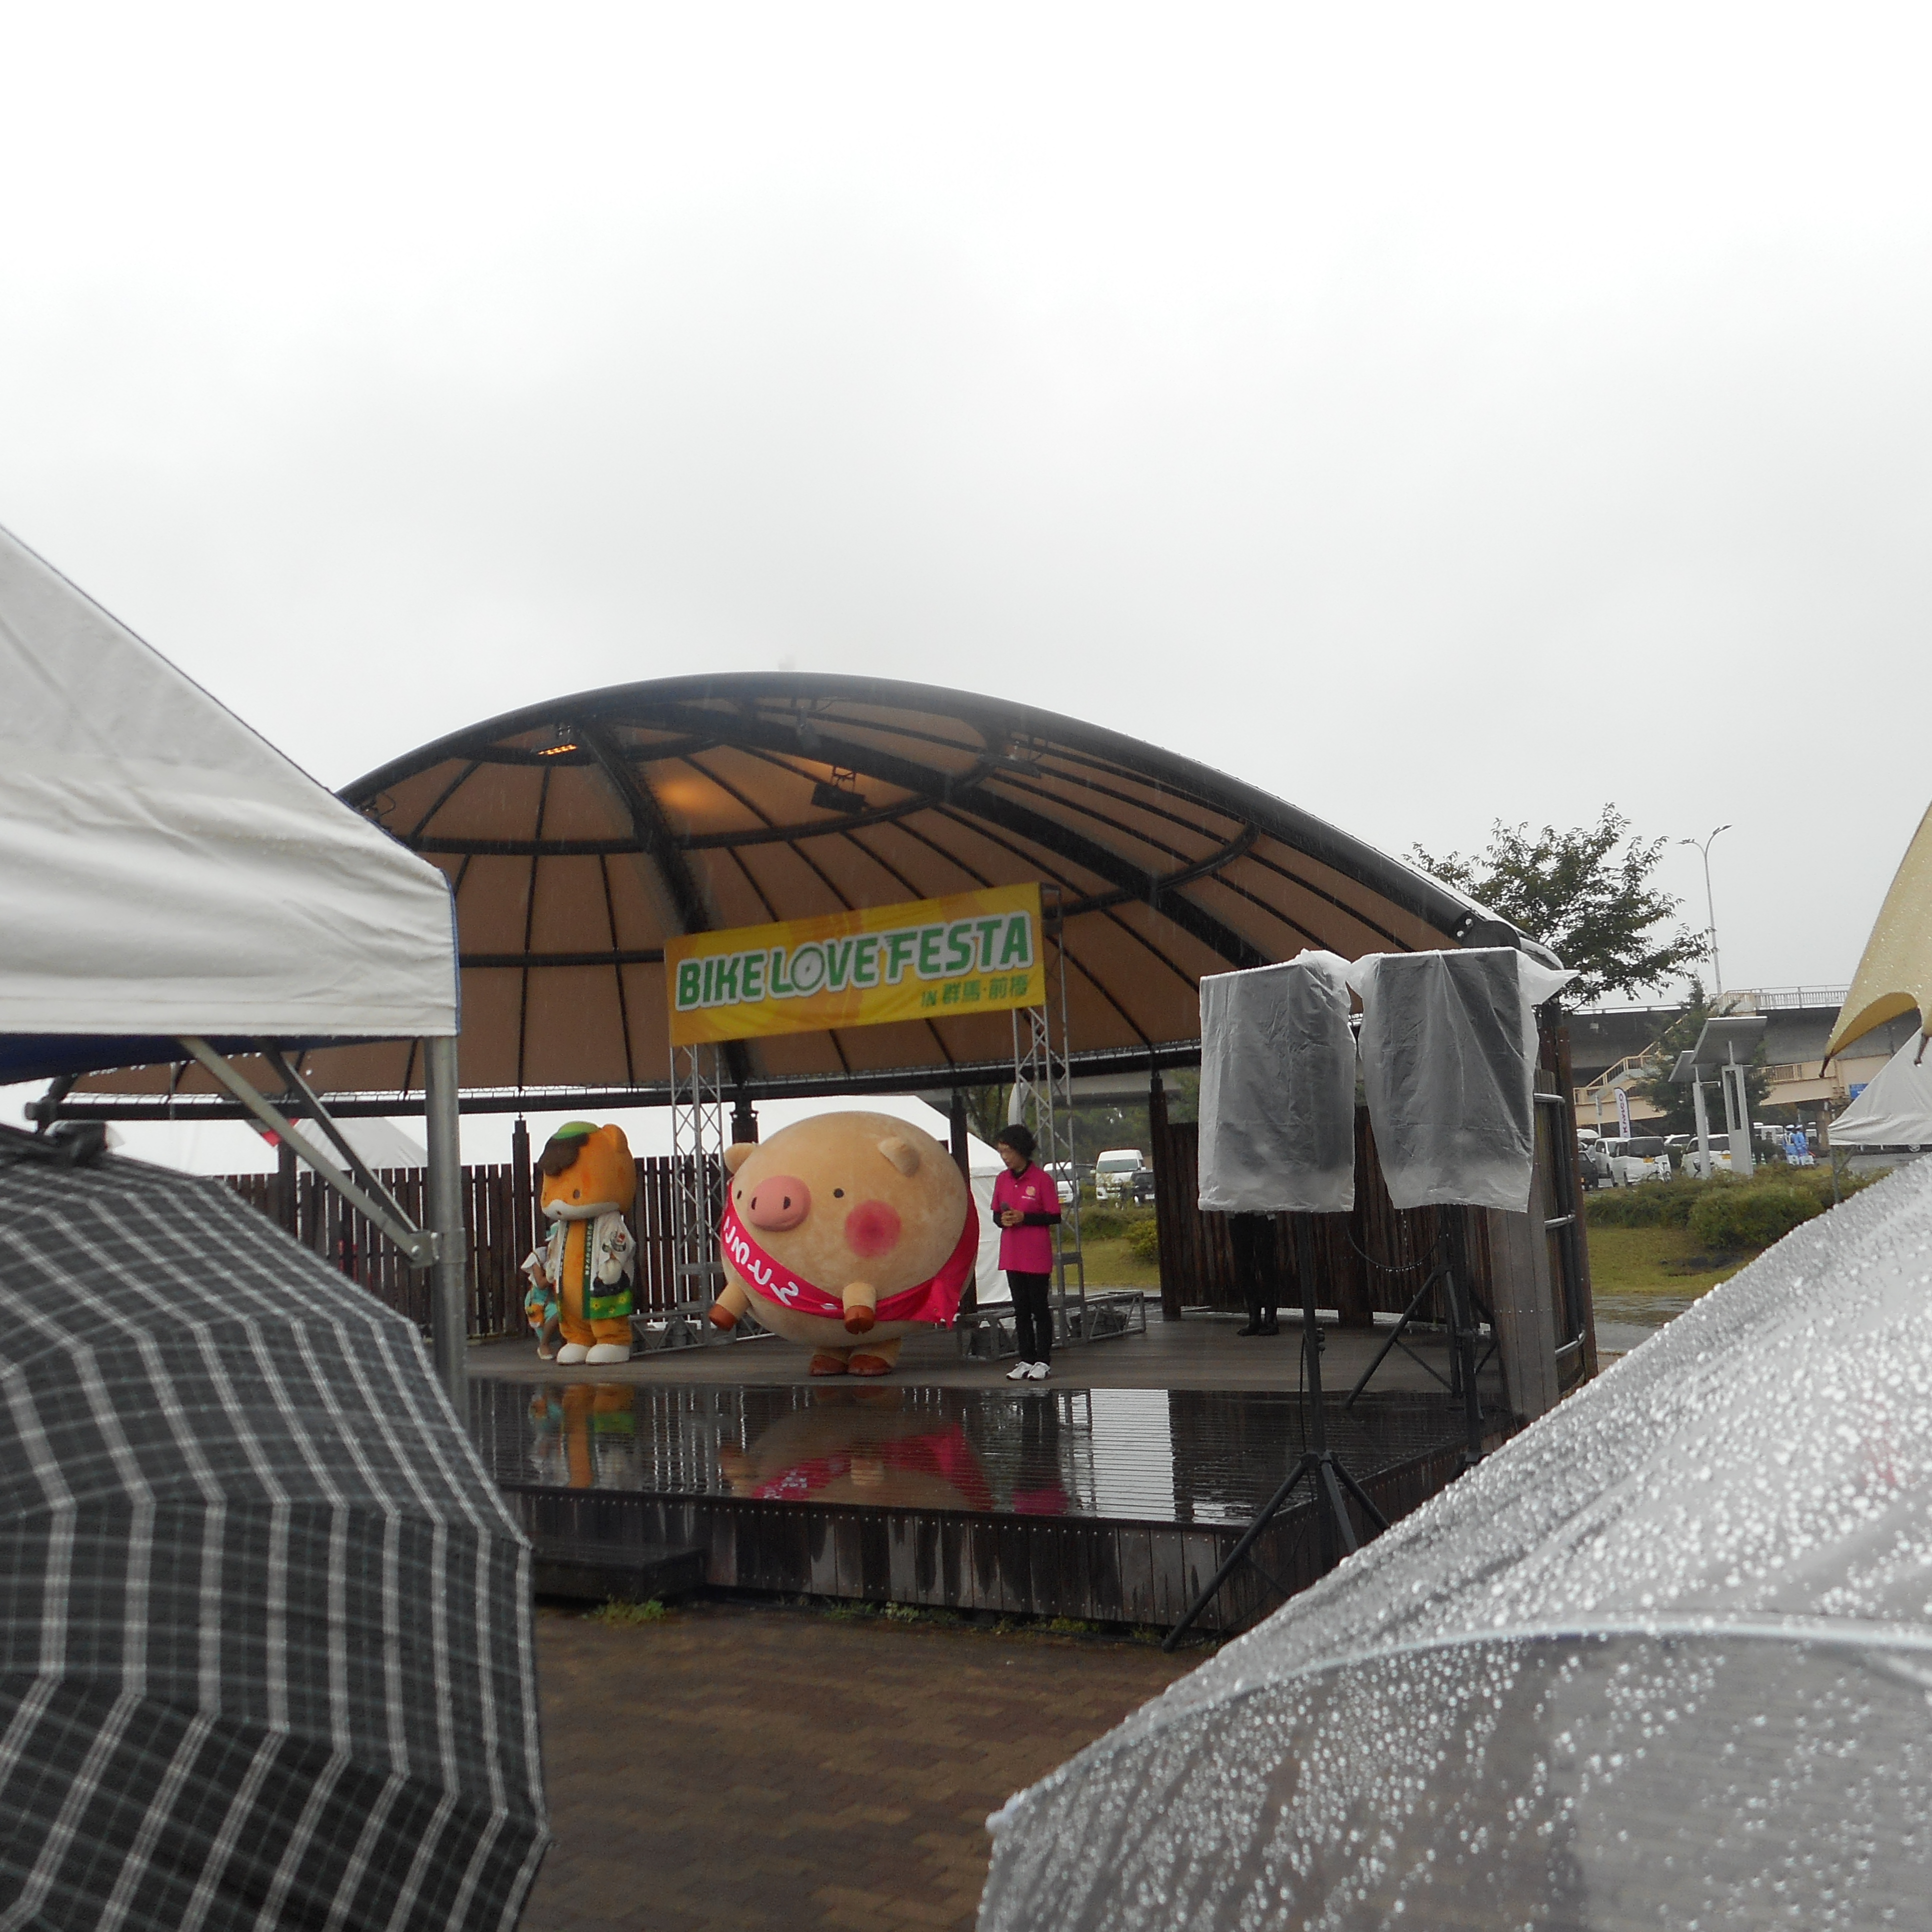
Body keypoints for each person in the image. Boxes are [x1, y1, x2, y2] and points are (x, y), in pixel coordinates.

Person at [992, 1123, 1062, 1382]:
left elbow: (1054, 1216)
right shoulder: (1002, 1179)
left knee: (1039, 1308)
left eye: (1008, 1151)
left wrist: (1026, 1218)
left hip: (1036, 1253)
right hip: (1012, 1253)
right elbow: (996, 1215)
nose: (1005, 1157)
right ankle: (1026, 1358)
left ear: (1021, 1149)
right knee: (1020, 1309)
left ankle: (1043, 1360)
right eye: (1001, 1152)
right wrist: (1003, 1220)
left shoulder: (1042, 1180)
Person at [1228, 1212, 1280, 1336]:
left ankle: (1271, 1319)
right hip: (1236, 1212)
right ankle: (1254, 1318)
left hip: (1263, 1212)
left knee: (1266, 1265)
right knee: (1244, 1266)